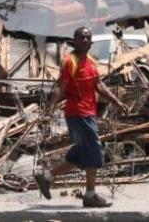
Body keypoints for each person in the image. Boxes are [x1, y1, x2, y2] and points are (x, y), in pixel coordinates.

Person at [34, 26, 128, 208]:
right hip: (77, 114)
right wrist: (50, 111)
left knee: (81, 152)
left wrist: (116, 101)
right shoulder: (71, 61)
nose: (85, 40)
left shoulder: (91, 61)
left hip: (88, 113)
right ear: (74, 41)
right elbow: (60, 87)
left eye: (87, 37)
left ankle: (47, 177)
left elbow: (99, 85)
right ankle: (90, 195)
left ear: (91, 42)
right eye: (81, 37)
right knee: (94, 150)